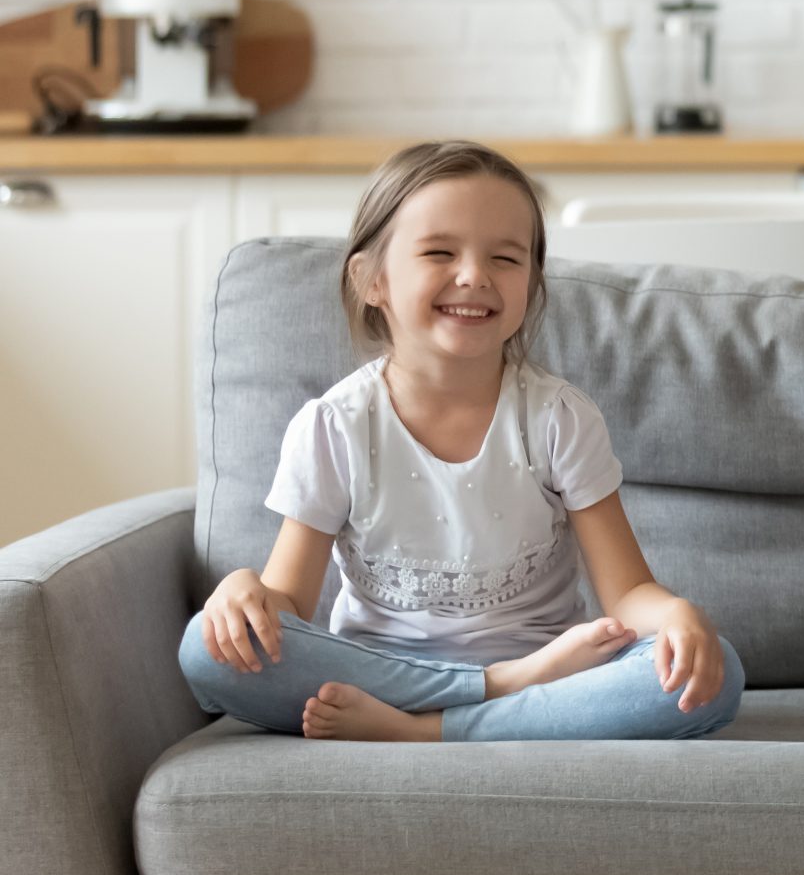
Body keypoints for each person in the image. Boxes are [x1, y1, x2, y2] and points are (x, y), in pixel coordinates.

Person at [179, 139, 743, 742]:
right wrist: (245, 593)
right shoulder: (334, 425)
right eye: (440, 251)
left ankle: (427, 730)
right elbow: (287, 600)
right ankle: (498, 693)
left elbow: (628, 591)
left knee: (717, 675)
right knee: (205, 650)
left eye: (506, 258)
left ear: (531, 282)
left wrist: (676, 615)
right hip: (400, 674)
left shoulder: (559, 418)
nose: (474, 276)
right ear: (372, 280)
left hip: (551, 672)